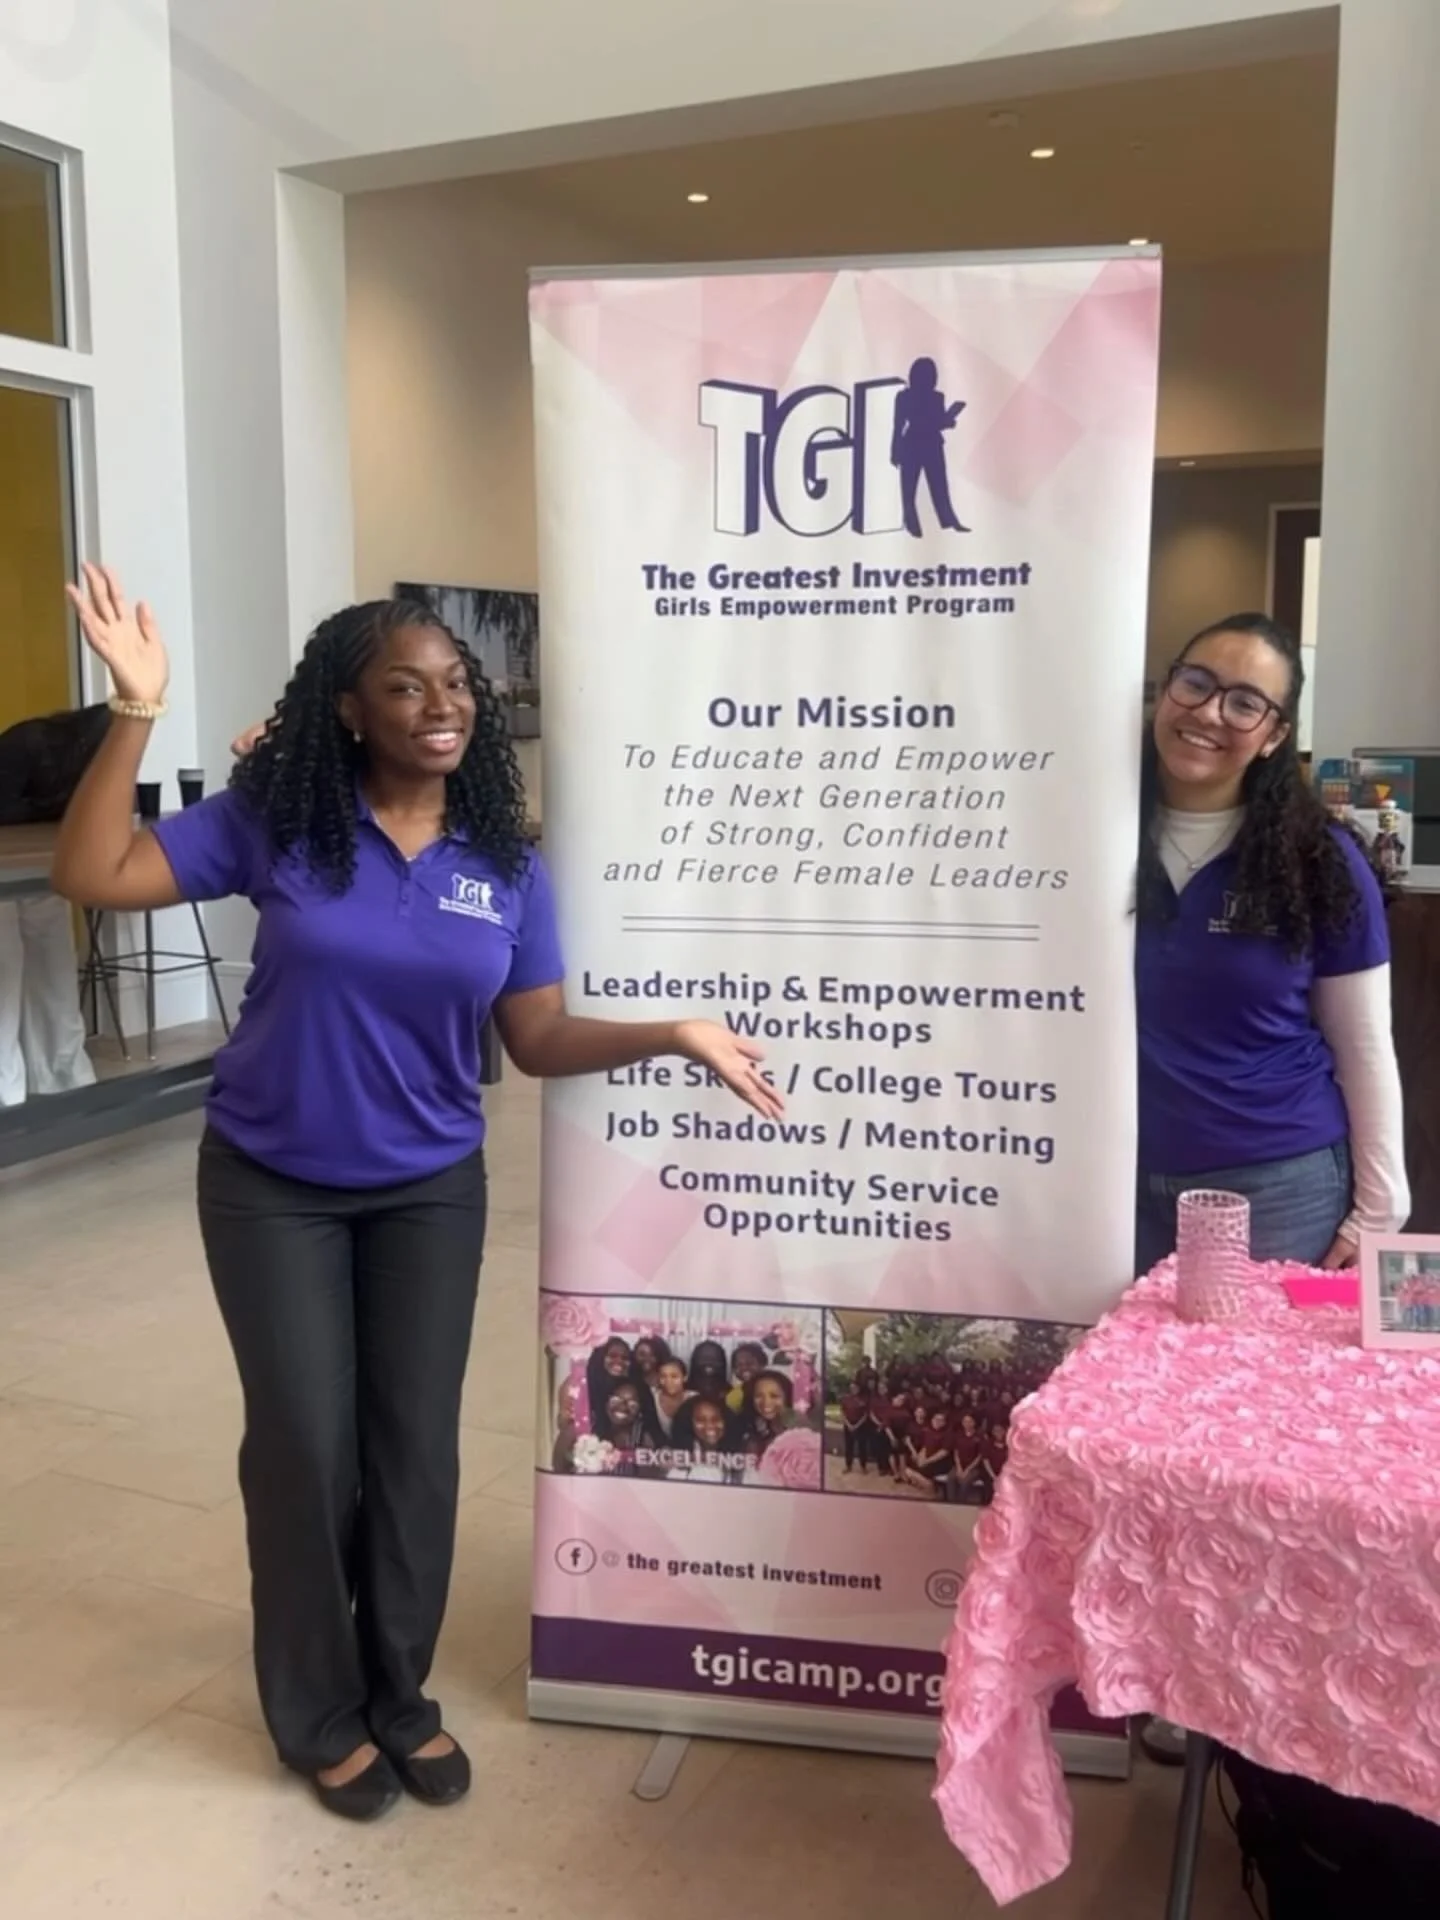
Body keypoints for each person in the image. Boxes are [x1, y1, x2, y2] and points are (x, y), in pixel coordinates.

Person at [52, 564, 782, 1824]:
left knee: (413, 1456)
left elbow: (538, 1039)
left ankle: (399, 1697)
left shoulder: (505, 863)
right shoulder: (279, 819)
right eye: (406, 684)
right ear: (347, 707)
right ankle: (317, 1712)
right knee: (301, 1448)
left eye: (457, 683)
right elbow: (93, 873)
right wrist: (135, 711)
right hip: (271, 1185)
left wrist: (671, 1031)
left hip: (429, 1193)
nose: (441, 704)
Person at [1134, 611, 1410, 1760]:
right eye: (1198, 681)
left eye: (1245, 700)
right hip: (1105, 1177)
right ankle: (1149, 1667)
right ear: (1161, 689)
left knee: (1238, 1452)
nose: (1211, 711)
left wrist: (1380, 1207)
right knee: (1136, 1438)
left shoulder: (1316, 859)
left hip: (1274, 1183)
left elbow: (1365, 1046)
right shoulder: (1089, 826)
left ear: (1275, 732)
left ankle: (1239, 1696)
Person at [0, 703, 112, 1107]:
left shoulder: (92, 765)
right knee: (5, 967)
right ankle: (5, 1091)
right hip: (7, 863)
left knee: (54, 960)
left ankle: (61, 1075)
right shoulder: (27, 742)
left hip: (42, 861)